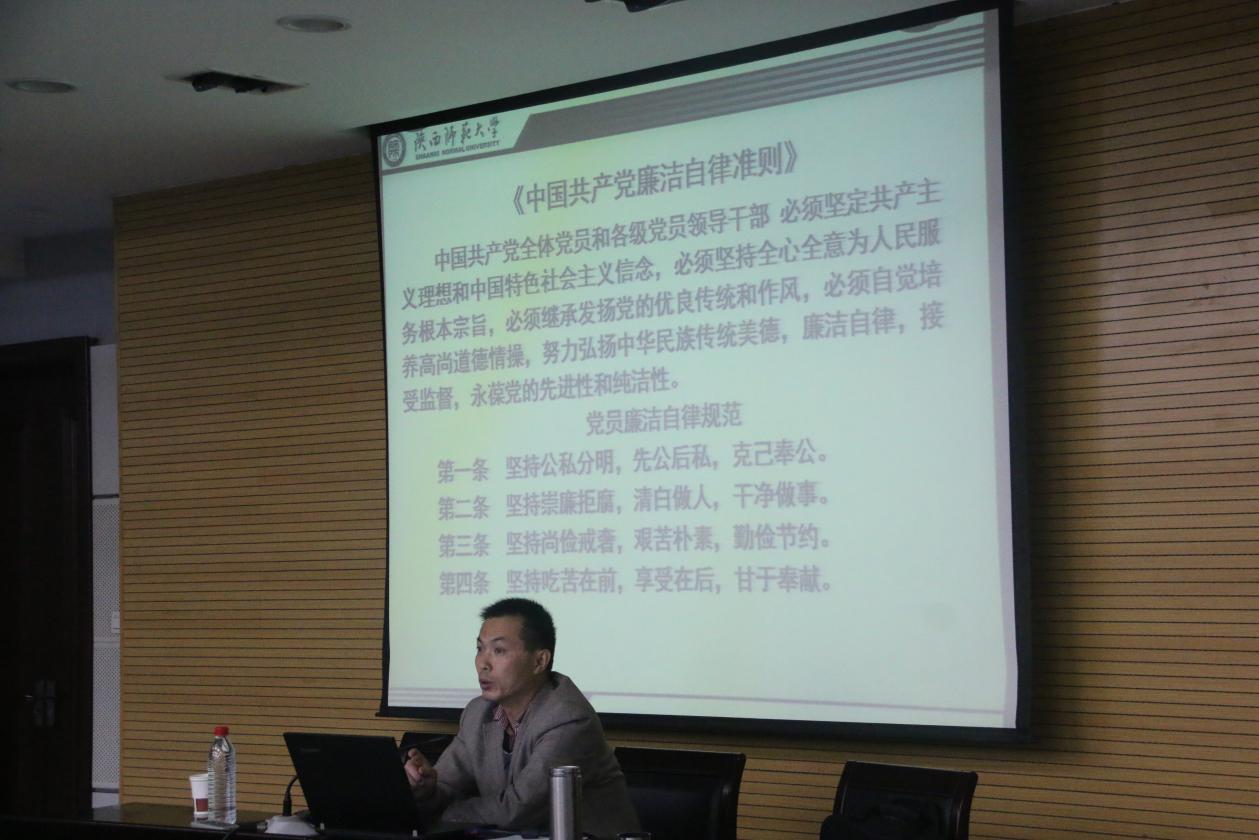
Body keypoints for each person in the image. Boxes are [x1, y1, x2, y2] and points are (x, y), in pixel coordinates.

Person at [405, 598, 640, 837]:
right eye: (479, 649)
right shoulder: (478, 713)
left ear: (539, 661)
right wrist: (426, 788)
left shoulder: (569, 719)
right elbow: (446, 785)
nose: (483, 663)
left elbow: (516, 810)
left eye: (499, 650)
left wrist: (443, 815)